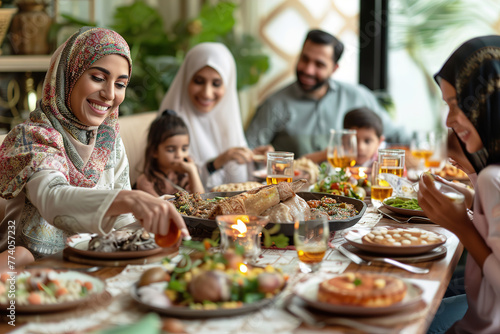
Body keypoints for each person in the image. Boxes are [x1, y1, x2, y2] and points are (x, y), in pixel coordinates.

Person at [0, 27, 188, 266]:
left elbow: (121, 221)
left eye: (120, 84)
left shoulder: (109, 141)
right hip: (27, 271)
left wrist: (153, 219)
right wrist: (131, 199)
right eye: (98, 78)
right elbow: (53, 198)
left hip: (88, 266)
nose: (110, 94)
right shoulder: (33, 137)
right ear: (68, 76)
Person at [418, 35, 500, 334]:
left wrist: (460, 225)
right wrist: (471, 194)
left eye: (456, 104)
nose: (449, 121)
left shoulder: (493, 177)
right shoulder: (489, 175)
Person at [246, 29, 407, 158]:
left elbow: (394, 134)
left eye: (319, 64)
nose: (308, 70)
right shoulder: (274, 104)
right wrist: (261, 156)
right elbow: (247, 151)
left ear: (334, 68)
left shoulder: (358, 97)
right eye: (304, 59)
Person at [159, 42, 272, 190]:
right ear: (186, 79)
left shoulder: (227, 118)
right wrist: (216, 163)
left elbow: (244, 184)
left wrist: (258, 159)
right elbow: (172, 186)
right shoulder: (169, 125)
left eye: (216, 83)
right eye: (199, 81)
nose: (207, 93)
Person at [136, 109, 204, 196]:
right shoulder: (146, 181)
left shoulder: (184, 175)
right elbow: (158, 207)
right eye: (171, 150)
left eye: (184, 149)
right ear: (154, 151)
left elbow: (201, 200)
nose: (179, 155)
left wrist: (192, 171)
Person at [303, 107, 385, 167]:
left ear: (379, 142)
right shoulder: (338, 158)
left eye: (367, 141)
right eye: (354, 141)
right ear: (344, 139)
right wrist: (324, 154)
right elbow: (302, 161)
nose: (360, 147)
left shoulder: (382, 162)